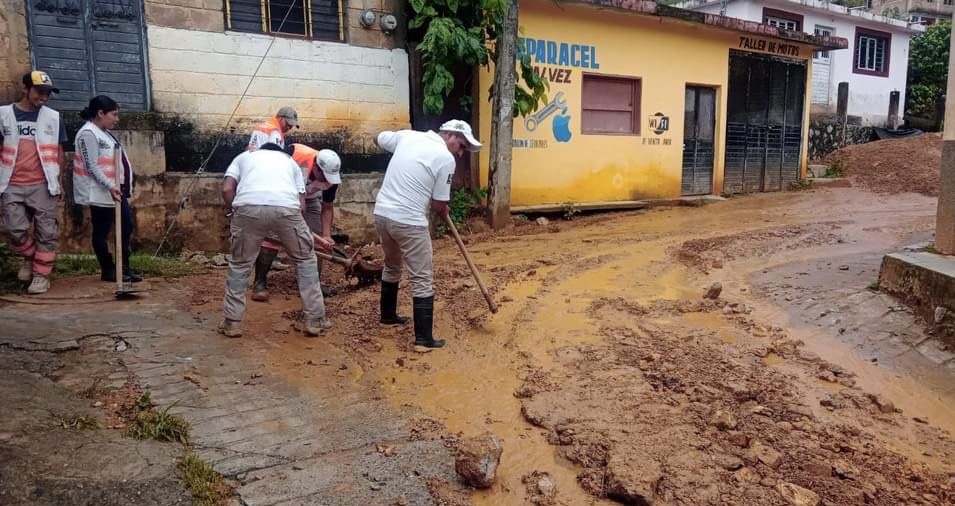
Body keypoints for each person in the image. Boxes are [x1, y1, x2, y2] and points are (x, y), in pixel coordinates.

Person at [373, 120, 481, 351]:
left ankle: (388, 316)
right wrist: (444, 211)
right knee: (422, 278)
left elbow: (379, 138)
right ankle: (423, 340)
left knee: (392, 265)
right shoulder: (445, 158)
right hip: (409, 221)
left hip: (382, 214)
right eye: (461, 146)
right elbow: (439, 204)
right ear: (451, 135)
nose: (461, 153)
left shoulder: (408, 137)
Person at [219, 142, 330, 338]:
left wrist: (235, 209)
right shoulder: (290, 162)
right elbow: (302, 204)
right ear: (280, 153)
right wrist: (292, 228)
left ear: (259, 150)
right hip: (287, 209)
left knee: (240, 264)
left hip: (247, 207)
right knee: (305, 260)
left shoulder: (243, 157)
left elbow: (227, 189)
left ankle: (232, 323)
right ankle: (315, 320)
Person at [0, 70, 68, 294]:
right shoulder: (3, 115)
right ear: (25, 89)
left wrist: (58, 182)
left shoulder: (53, 117)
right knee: (13, 228)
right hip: (11, 182)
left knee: (47, 232)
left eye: (48, 93)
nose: (44, 97)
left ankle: (41, 276)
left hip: (43, 183)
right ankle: (31, 257)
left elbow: (58, 151)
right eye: (40, 92)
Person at [252, 143, 340, 302]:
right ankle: (259, 282)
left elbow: (327, 208)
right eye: (324, 176)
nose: (327, 181)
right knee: (272, 238)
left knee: (317, 242)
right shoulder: (295, 154)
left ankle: (313, 286)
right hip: (281, 197)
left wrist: (326, 236)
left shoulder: (332, 180)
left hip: (310, 199)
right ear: (316, 168)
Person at [73, 95, 142, 283]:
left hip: (113, 190)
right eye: (114, 114)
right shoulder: (88, 133)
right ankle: (108, 269)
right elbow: (91, 165)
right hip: (99, 191)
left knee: (126, 226)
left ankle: (123, 267)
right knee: (102, 230)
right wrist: (110, 185)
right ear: (100, 113)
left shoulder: (103, 132)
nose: (116, 119)